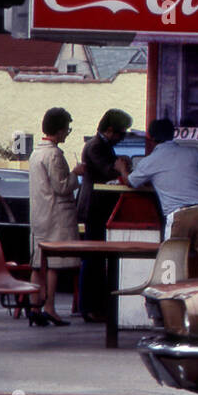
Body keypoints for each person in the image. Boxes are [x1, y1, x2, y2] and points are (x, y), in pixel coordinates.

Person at [121, 118, 198, 276]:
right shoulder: (192, 153)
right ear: (173, 134)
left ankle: (172, 301)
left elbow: (131, 182)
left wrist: (121, 169)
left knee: (172, 268)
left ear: (151, 138)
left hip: (178, 217)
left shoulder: (150, 161)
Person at [76, 108, 133, 323]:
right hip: (94, 207)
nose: (122, 137)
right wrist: (120, 167)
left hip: (100, 207)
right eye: (121, 133)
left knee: (98, 259)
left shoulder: (104, 145)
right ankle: (89, 307)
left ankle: (96, 306)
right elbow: (107, 171)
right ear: (109, 130)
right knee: (92, 258)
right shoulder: (96, 146)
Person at [28, 107, 84, 325]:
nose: (67, 134)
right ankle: (49, 307)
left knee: (37, 262)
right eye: (67, 129)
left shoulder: (36, 153)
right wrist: (76, 174)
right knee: (53, 264)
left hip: (39, 214)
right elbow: (62, 186)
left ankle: (34, 306)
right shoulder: (54, 154)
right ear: (59, 130)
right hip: (56, 214)